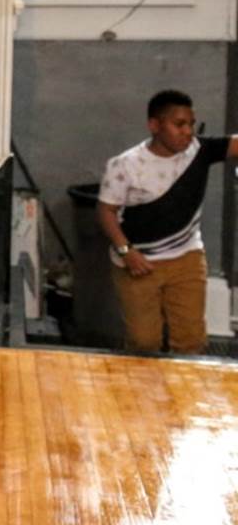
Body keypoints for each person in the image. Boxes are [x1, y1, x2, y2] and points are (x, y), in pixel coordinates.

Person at [97, 89, 238, 354]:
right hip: (139, 262)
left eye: (191, 124)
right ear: (154, 125)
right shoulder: (126, 165)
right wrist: (127, 251)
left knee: (190, 340)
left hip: (186, 258)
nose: (188, 132)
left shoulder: (199, 151)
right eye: (179, 124)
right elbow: (106, 211)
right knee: (144, 342)